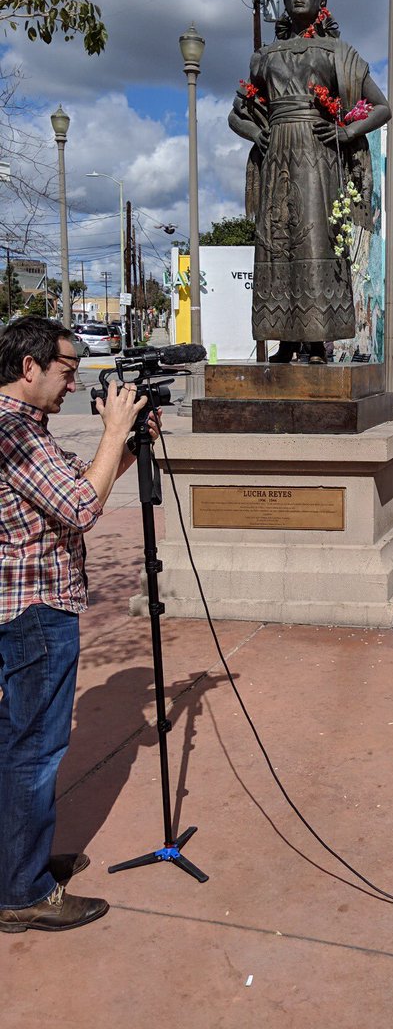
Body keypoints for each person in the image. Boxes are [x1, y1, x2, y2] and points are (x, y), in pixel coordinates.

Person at [0, 316, 157, 932]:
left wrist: (124, 445)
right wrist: (114, 429)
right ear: (29, 367)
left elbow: (75, 489)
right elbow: (83, 509)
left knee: (18, 747)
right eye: (66, 371)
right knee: (33, 753)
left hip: (24, 607)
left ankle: (21, 863)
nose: (72, 384)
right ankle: (22, 893)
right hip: (34, 612)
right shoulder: (15, 434)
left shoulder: (23, 432)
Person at [228, 0, 391, 364]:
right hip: (277, 155)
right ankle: (283, 338)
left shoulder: (338, 52)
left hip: (319, 155)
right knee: (277, 241)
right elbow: (236, 116)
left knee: (317, 238)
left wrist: (349, 132)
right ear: (283, 1)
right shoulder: (264, 57)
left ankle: (317, 341)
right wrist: (255, 132)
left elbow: (383, 107)